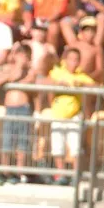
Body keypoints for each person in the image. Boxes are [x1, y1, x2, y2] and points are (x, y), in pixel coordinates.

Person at [42, 47, 95, 185]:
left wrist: (81, 84)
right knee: (57, 146)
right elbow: (43, 82)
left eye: (76, 59)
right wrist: (57, 83)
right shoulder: (57, 72)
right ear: (65, 60)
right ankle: (61, 175)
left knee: (75, 147)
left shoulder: (80, 75)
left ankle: (75, 175)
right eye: (71, 59)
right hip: (58, 115)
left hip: (73, 116)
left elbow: (95, 85)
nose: (73, 62)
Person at [0, 44, 36, 186]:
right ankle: (5, 171)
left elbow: (25, 81)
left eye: (24, 56)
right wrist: (16, 67)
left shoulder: (31, 71)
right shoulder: (9, 69)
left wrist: (20, 69)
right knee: (7, 142)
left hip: (23, 109)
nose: (21, 58)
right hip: (10, 110)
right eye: (19, 55)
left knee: (22, 143)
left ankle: (19, 172)